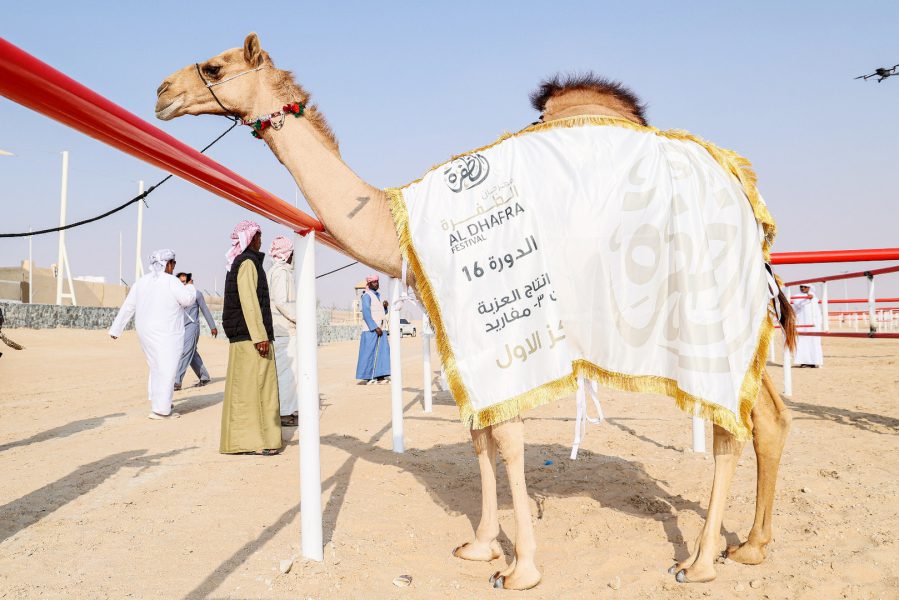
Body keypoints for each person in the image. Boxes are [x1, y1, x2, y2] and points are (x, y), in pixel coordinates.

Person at [109, 249, 197, 419]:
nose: (174, 267)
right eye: (174, 263)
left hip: (145, 332)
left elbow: (128, 306)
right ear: (168, 264)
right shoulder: (171, 281)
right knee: (167, 368)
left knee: (156, 366)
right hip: (166, 332)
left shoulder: (141, 282)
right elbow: (187, 300)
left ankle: (159, 402)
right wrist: (191, 287)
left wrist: (116, 329)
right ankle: (161, 411)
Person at [220, 220, 282, 455]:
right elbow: (249, 301)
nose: (260, 241)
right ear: (250, 238)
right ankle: (259, 441)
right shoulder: (247, 263)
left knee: (245, 389)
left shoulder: (245, 263)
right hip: (251, 338)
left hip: (246, 336)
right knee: (258, 389)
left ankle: (244, 441)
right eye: (258, 236)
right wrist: (260, 336)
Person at [267, 236, 299, 426]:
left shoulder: (278, 271)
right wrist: (300, 318)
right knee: (287, 374)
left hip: (283, 329)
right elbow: (281, 301)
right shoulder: (280, 272)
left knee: (289, 372)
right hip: (284, 330)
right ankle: (285, 413)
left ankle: (289, 410)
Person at [174, 272, 218, 390]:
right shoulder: (177, 295)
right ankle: (204, 377)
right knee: (191, 353)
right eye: (180, 282)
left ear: (189, 281)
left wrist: (212, 326)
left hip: (192, 327)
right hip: (180, 329)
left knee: (185, 352)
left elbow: (205, 310)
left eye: (184, 281)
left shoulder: (197, 294)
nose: (182, 284)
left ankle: (177, 381)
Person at [355, 274, 391, 384]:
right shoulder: (367, 296)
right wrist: (375, 328)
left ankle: (380, 377)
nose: (376, 283)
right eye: (374, 282)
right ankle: (367, 377)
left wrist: (385, 308)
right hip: (371, 330)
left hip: (381, 329)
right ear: (369, 284)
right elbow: (366, 314)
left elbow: (380, 313)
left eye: (377, 281)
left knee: (382, 352)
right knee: (369, 353)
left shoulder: (378, 296)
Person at [793, 284, 823, 367]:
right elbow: (798, 305)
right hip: (802, 324)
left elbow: (817, 310)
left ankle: (814, 362)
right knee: (802, 342)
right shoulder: (797, 296)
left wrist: (819, 321)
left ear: (809, 288)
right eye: (801, 287)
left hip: (814, 325)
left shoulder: (814, 297)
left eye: (805, 287)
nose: (802, 288)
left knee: (814, 341)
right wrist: (807, 299)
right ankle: (803, 362)